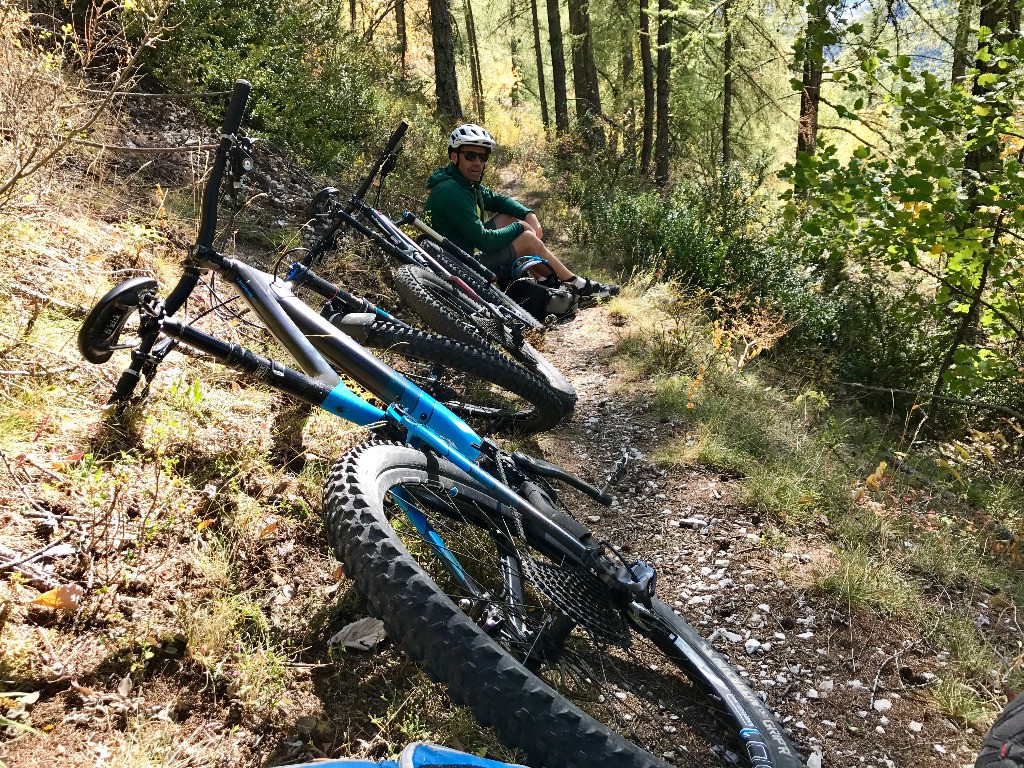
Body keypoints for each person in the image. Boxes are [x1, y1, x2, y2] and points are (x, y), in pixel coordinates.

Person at [423, 123, 619, 299]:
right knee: (527, 239)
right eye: (470, 155)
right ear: (454, 156)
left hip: (462, 254)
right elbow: (485, 241)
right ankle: (577, 285)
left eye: (482, 156)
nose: (477, 162)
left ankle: (546, 281)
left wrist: (528, 214)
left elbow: (497, 200)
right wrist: (520, 227)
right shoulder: (452, 192)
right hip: (458, 267)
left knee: (509, 217)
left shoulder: (464, 183)